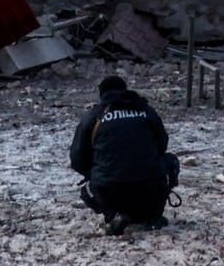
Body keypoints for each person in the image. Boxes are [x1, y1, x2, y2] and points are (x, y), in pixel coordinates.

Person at [70, 74, 181, 235]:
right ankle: (152, 216)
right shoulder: (145, 110)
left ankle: (113, 214)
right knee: (170, 162)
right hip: (149, 189)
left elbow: (77, 158)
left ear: (102, 94)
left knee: (87, 188)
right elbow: (162, 144)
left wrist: (96, 171)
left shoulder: (94, 116)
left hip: (109, 190)